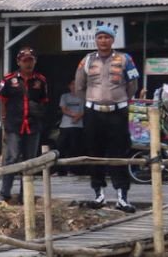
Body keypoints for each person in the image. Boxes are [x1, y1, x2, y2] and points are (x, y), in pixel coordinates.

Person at [70, 23, 139, 211]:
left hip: (118, 112)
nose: (103, 41)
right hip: (94, 113)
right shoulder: (87, 60)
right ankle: (98, 194)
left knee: (120, 153)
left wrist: (120, 100)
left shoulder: (125, 59)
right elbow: (79, 86)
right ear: (96, 40)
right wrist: (91, 103)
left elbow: (132, 84)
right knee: (94, 153)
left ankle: (122, 197)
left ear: (113, 40)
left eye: (107, 37)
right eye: (100, 37)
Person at [0, 46, 52, 205]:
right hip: (14, 125)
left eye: (31, 61)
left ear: (35, 62)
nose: (28, 64)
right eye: (25, 61)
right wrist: (4, 123)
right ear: (18, 62)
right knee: (11, 158)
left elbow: (44, 102)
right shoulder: (8, 80)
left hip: (33, 126)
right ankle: (4, 194)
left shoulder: (41, 81)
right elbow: (3, 102)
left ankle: (25, 195)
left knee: (30, 161)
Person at [56, 88, 85, 176]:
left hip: (78, 125)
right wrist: (74, 115)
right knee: (61, 148)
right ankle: (60, 170)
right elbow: (63, 109)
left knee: (75, 148)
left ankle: (73, 170)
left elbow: (84, 110)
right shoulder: (64, 96)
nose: (74, 86)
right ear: (69, 85)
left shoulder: (82, 97)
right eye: (72, 84)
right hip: (65, 125)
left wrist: (78, 117)